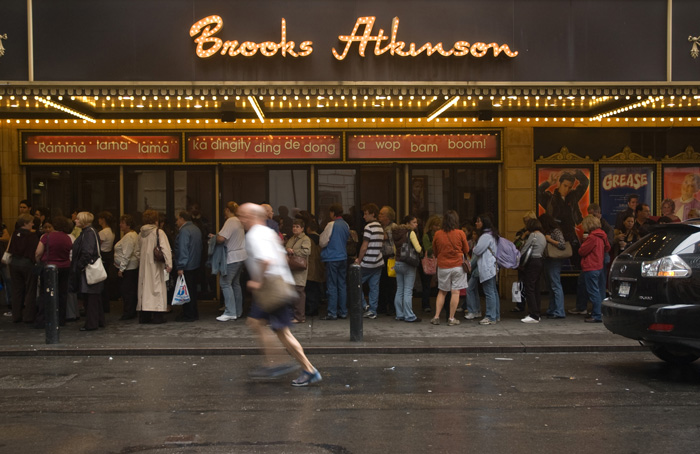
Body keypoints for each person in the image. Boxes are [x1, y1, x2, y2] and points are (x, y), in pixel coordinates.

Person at [238, 203, 321, 387]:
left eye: (243, 215)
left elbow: (265, 260)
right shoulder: (268, 233)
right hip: (279, 282)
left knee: (265, 326)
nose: (241, 219)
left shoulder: (254, 235)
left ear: (254, 216)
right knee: (275, 329)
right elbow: (282, 256)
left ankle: (280, 363)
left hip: (270, 285)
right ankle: (299, 367)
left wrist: (258, 281)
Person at [430, 210, 469, 326]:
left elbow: (435, 251)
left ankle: (436, 316)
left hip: (443, 266)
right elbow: (466, 250)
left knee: (442, 292)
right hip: (457, 266)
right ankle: (451, 318)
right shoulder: (460, 233)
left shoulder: (437, 234)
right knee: (455, 292)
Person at [34, 216, 73, 327]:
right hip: (65, 267)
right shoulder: (67, 238)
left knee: (45, 293)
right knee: (62, 294)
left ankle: (42, 319)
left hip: (49, 267)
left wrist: (38, 261)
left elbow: (38, 252)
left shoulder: (46, 237)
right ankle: (60, 319)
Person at [69, 211, 105, 331]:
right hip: (88, 268)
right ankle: (97, 321)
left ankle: (91, 323)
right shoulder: (90, 232)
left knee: (90, 298)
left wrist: (79, 266)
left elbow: (87, 252)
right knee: (94, 298)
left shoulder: (88, 233)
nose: (75, 220)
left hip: (88, 269)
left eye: (78, 219)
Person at [137, 209, 172, 324]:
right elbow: (166, 249)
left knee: (144, 289)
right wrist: (169, 264)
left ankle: (144, 316)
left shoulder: (141, 233)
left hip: (143, 266)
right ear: (155, 220)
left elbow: (137, 251)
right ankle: (158, 316)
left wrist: (142, 260)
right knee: (157, 288)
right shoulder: (159, 232)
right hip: (156, 265)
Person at [214, 202, 248, 322]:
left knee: (225, 283)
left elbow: (221, 238)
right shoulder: (239, 221)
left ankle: (230, 312)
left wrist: (215, 237)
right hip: (241, 256)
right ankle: (238, 311)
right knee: (235, 284)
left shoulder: (230, 221)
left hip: (232, 257)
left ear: (228, 210)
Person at [538, 170, 589, 247]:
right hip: (555, 232)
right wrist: (548, 183)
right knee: (556, 255)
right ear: (559, 184)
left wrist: (577, 173)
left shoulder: (573, 197)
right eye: (565, 186)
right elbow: (537, 192)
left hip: (570, 232)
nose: (567, 190)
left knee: (575, 255)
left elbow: (585, 183)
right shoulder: (549, 199)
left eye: (570, 187)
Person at [576, 215, 611, 323]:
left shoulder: (592, 237)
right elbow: (608, 247)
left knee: (593, 291)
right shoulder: (602, 235)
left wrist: (584, 242)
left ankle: (596, 315)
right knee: (598, 290)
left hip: (590, 266)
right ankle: (599, 312)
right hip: (599, 265)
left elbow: (582, 251)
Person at [319, 203, 349, 320]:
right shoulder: (346, 225)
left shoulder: (331, 224)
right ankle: (343, 311)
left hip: (332, 257)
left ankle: (332, 312)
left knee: (332, 285)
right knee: (342, 284)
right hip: (343, 257)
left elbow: (323, 241)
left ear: (333, 213)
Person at [354, 203, 385, 320]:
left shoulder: (368, 227)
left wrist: (359, 260)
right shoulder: (380, 228)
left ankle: (364, 306)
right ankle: (373, 310)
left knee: (355, 284)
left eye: (366, 214)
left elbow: (364, 246)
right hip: (378, 262)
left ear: (373, 214)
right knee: (374, 287)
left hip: (367, 262)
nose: (364, 217)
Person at [8, 214, 39, 323]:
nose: (33, 224)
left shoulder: (15, 233)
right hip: (27, 264)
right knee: (30, 290)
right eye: (31, 222)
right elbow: (35, 252)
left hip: (14, 263)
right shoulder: (32, 236)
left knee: (16, 290)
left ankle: (16, 315)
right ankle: (29, 316)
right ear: (25, 223)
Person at [392, 215, 422, 323]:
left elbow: (395, 249)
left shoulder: (396, 233)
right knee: (408, 290)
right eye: (414, 222)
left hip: (398, 262)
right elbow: (418, 249)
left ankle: (399, 314)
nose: (416, 224)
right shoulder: (410, 233)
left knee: (400, 289)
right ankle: (409, 315)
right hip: (408, 263)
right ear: (408, 224)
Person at [472, 214, 501, 325]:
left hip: (487, 267)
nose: (476, 223)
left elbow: (477, 250)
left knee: (489, 292)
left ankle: (490, 316)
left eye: (479, 221)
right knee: (493, 291)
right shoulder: (493, 234)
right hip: (492, 266)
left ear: (484, 223)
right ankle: (496, 315)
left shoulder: (485, 236)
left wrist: (474, 247)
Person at [174, 211, 202, 322]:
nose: (176, 222)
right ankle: (193, 313)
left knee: (186, 291)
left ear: (182, 219)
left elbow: (183, 249)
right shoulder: (196, 229)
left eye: (177, 219)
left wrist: (180, 266)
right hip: (195, 264)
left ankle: (188, 314)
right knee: (192, 291)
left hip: (187, 265)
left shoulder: (184, 231)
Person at [519, 218, 547, 324]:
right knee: (536, 287)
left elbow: (524, 249)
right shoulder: (543, 236)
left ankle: (533, 314)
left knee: (529, 287)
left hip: (532, 262)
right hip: (539, 261)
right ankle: (536, 312)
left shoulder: (533, 235)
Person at [539, 213, 566, 319]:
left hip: (555, 260)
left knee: (555, 285)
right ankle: (552, 309)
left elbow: (562, 245)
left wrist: (550, 240)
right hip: (548, 260)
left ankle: (559, 311)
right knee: (551, 286)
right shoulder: (547, 232)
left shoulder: (556, 231)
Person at [114, 214, 140, 320]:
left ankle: (129, 312)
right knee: (130, 290)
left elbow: (127, 253)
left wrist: (121, 268)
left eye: (123, 223)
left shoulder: (129, 236)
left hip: (128, 268)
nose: (120, 225)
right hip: (130, 267)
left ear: (128, 225)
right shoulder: (131, 235)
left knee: (127, 291)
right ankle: (130, 311)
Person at [286, 219, 311, 323]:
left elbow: (307, 251)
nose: (294, 228)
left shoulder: (305, 239)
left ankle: (300, 316)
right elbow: (286, 247)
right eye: (293, 226)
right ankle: (293, 315)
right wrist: (287, 249)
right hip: (291, 268)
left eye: (297, 226)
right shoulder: (292, 239)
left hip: (300, 269)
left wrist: (293, 251)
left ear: (302, 228)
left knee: (299, 291)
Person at [377, 205, 398, 315]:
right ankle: (382, 306)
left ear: (388, 217)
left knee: (391, 284)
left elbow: (383, 237)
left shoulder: (393, 227)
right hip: (381, 257)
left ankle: (392, 307)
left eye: (382, 214)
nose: (379, 216)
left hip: (390, 258)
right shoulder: (380, 226)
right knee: (382, 283)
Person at [303, 216, 324, 317]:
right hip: (319, 266)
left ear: (308, 229)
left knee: (309, 289)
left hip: (309, 267)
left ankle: (310, 309)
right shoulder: (321, 239)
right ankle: (315, 307)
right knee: (316, 288)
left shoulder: (307, 239)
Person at [420, 215, 441, 313]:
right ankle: (426, 304)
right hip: (430, 262)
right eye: (435, 226)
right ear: (431, 226)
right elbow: (427, 249)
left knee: (440, 284)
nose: (437, 228)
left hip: (440, 261)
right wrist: (435, 244)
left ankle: (440, 304)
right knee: (427, 284)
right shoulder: (426, 236)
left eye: (439, 226)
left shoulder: (440, 234)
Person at [97, 211, 116, 313]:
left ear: (103, 220)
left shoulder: (103, 233)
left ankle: (103, 305)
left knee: (102, 283)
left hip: (103, 255)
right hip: (108, 256)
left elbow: (97, 245)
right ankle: (106, 305)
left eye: (100, 218)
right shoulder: (111, 232)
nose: (98, 220)